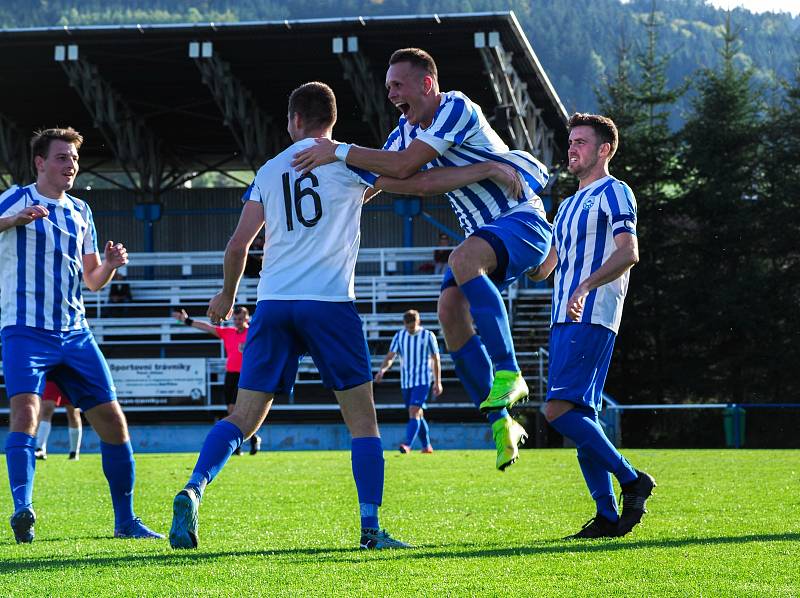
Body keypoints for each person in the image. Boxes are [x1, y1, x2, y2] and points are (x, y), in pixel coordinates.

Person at [168, 81, 522, 551]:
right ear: (332, 123)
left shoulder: (269, 172)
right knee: (363, 423)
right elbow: (413, 183)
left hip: (274, 305)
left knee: (244, 417)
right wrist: (489, 169)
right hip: (330, 305)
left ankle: (195, 488)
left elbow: (238, 245)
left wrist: (228, 295)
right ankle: (371, 528)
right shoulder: (348, 162)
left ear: (293, 121)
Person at [293, 48, 553, 471]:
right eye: (389, 87)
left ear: (426, 84)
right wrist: (321, 202)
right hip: (486, 238)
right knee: (448, 310)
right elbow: (384, 178)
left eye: (397, 85)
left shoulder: (455, 106)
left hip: (521, 220)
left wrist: (339, 150)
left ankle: (509, 371)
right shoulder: (405, 128)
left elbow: (410, 170)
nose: (391, 94)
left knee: (462, 258)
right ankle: (501, 420)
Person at [0, 126, 163, 543]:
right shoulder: (18, 197)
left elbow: (92, 280)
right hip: (25, 328)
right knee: (26, 415)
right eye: (61, 158)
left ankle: (125, 521)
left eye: (74, 159)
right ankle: (23, 510)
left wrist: (109, 264)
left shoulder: (81, 211)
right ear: (40, 162)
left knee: (112, 421)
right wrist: (15, 220)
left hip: (75, 332)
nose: (70, 165)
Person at [527, 113, 656, 539]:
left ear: (604, 150)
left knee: (557, 410)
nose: (572, 149)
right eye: (570, 142)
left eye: (581, 142)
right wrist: (509, 245)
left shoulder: (615, 191)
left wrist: (584, 286)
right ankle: (605, 516)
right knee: (582, 415)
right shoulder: (566, 206)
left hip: (593, 312)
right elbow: (545, 268)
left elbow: (629, 252)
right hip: (564, 317)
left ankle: (632, 478)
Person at [172, 306, 261, 455]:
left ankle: (238, 444)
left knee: (235, 411)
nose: (238, 322)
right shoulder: (229, 333)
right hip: (230, 375)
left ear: (247, 319)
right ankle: (253, 439)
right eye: (236, 319)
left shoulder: (252, 333)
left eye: (241, 319)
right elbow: (207, 327)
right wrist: (187, 320)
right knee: (232, 411)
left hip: (245, 375)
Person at [374, 309, 442, 454]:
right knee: (418, 414)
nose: (410, 330)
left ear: (418, 323)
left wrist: (438, 382)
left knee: (413, 411)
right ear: (404, 324)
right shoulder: (399, 336)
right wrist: (382, 370)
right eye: (408, 327)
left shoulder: (428, 336)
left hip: (423, 380)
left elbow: (436, 359)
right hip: (406, 381)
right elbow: (391, 356)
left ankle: (407, 445)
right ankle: (427, 446)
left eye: (412, 327)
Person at [34, 380, 82, 461]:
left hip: (70, 375)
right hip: (52, 374)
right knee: (46, 408)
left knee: (73, 413)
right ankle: (40, 449)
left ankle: (74, 452)